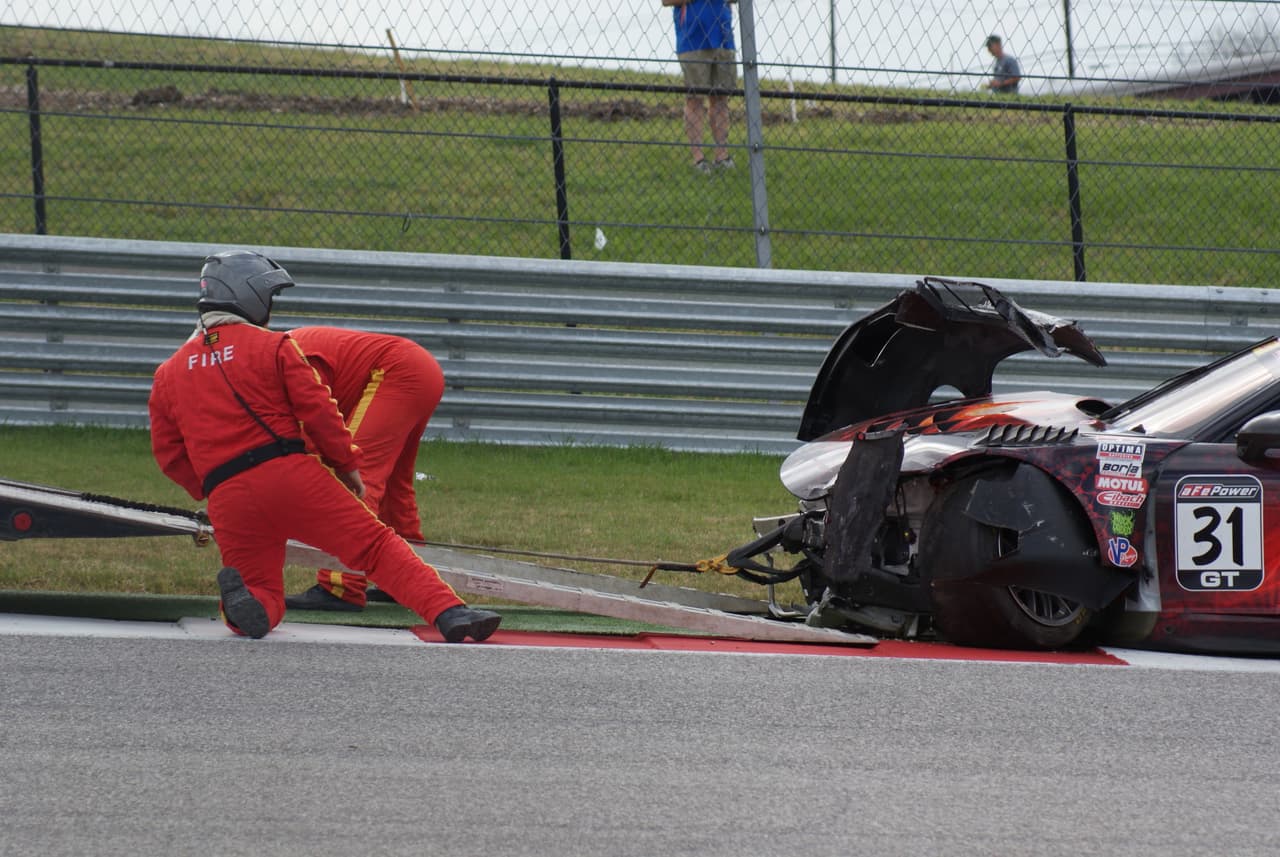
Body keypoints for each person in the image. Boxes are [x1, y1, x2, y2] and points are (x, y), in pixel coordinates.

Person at [147, 250, 501, 643]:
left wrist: (208, 489)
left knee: (261, 589)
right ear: (247, 297)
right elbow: (319, 411)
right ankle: (449, 613)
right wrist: (347, 467)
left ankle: (243, 609)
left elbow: (168, 453)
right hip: (288, 473)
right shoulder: (276, 346)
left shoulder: (168, 373)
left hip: (227, 494)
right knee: (375, 545)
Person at [283, 326, 444, 613]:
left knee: (353, 478)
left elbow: (314, 428)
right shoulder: (280, 351)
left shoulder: (287, 357)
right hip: (419, 369)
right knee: (396, 487)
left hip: (399, 372)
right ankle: (407, 579)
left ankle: (341, 585)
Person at [664, 0, 738, 173]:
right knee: (695, 98)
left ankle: (722, 156)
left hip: (723, 36)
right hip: (693, 39)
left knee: (721, 98)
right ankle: (698, 159)